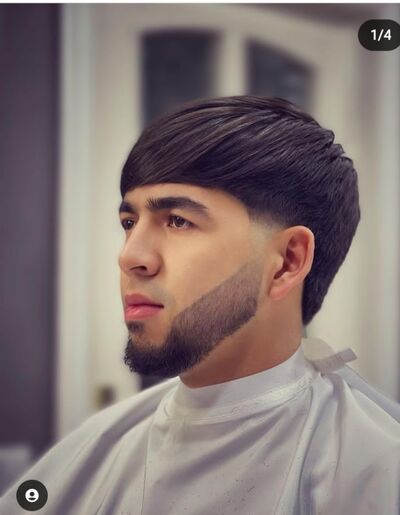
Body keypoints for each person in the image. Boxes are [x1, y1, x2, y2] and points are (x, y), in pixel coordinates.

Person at [1, 95, 399, 514]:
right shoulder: (93, 450)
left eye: (178, 220)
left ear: (287, 262)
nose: (130, 256)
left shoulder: (374, 473)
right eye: (129, 223)